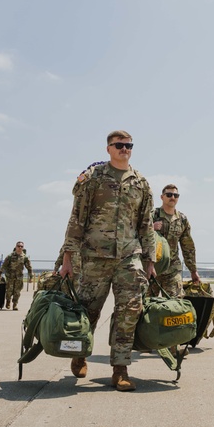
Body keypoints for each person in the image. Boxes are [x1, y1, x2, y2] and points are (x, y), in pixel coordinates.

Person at [58, 130, 157, 391]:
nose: (124, 149)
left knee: (129, 312)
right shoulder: (93, 178)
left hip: (129, 257)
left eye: (128, 145)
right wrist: (68, 257)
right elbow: (77, 218)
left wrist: (151, 260)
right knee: (89, 311)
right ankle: (80, 353)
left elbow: (146, 225)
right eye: (119, 145)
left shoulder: (141, 183)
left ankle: (120, 369)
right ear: (108, 149)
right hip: (94, 256)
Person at [150, 184, 200, 298]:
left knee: (174, 304)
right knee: (146, 305)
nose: (172, 197)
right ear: (162, 197)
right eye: (169, 194)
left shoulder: (182, 219)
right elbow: (136, 233)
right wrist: (151, 228)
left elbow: (188, 246)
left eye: (175, 195)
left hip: (172, 269)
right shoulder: (152, 215)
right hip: (152, 268)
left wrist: (193, 270)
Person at [2, 242, 34, 311]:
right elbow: (4, 265)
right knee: (9, 290)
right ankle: (8, 301)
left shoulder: (25, 257)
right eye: (18, 246)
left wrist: (31, 277)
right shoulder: (10, 256)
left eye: (21, 246)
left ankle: (15, 304)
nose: (20, 248)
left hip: (19, 277)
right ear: (15, 247)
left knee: (17, 291)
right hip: (10, 276)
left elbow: (29, 267)